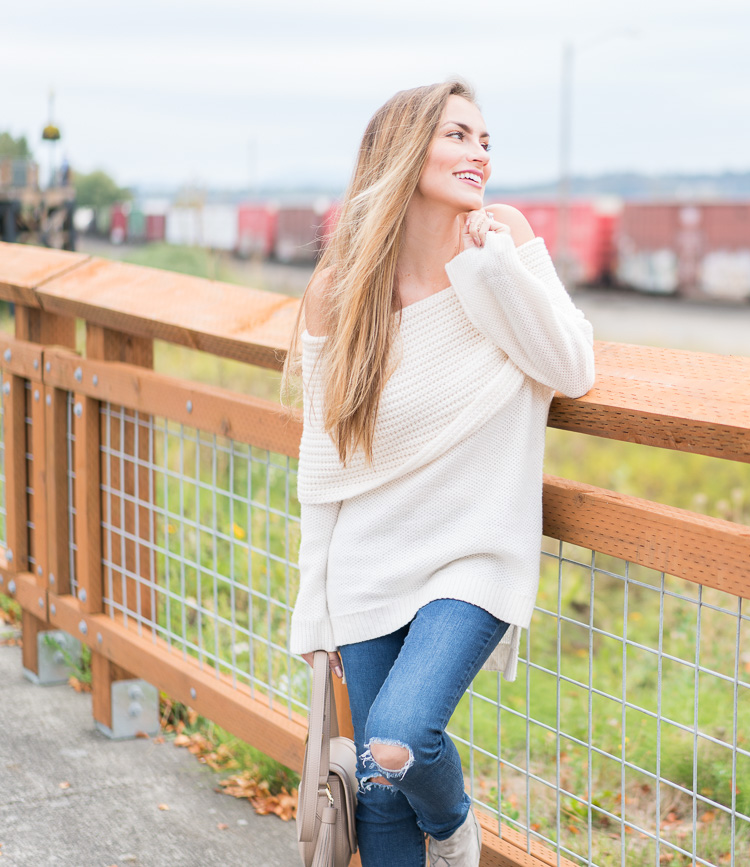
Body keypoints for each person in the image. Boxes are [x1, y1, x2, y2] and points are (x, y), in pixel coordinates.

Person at [282, 80, 595, 867]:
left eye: (485, 139)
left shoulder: (503, 240)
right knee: (380, 800)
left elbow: (571, 364)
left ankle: (454, 829)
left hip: (475, 553)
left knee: (396, 738)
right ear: (405, 151)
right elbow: (323, 471)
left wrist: (490, 270)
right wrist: (313, 613)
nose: (479, 153)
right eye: (458, 136)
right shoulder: (342, 292)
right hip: (366, 560)